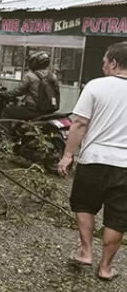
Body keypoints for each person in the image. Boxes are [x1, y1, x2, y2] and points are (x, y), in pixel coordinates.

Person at [58, 42, 127, 282]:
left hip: (94, 159)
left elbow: (79, 123)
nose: (103, 67)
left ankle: (86, 252)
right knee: (118, 216)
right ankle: (106, 267)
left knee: (85, 205)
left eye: (104, 62)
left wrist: (68, 155)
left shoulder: (96, 86)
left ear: (114, 63)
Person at [0, 51, 60, 120]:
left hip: (33, 110)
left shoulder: (30, 76)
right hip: (48, 110)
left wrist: (1, 94)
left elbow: (17, 91)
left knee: (6, 112)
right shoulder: (53, 76)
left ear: (34, 63)